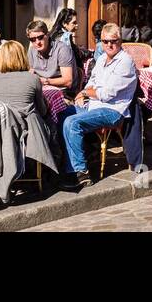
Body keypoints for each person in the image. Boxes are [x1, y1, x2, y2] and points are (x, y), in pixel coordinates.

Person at [59, 24, 138, 191]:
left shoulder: (125, 61)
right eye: (105, 41)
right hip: (93, 106)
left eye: (113, 41)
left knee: (72, 123)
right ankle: (70, 161)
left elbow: (108, 94)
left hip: (113, 110)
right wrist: (82, 93)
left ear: (120, 40)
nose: (109, 45)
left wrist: (86, 93)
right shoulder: (102, 59)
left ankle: (81, 172)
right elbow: (92, 82)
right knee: (60, 114)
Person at [0, 40, 53, 122]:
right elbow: (42, 111)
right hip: (29, 129)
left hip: (4, 129)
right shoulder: (33, 78)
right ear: (22, 57)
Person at [26, 19, 74, 91]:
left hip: (62, 90)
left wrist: (46, 81)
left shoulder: (62, 49)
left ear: (47, 35)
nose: (37, 42)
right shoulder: (32, 50)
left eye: (40, 37)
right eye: (33, 39)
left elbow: (68, 81)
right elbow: (30, 73)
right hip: (41, 88)